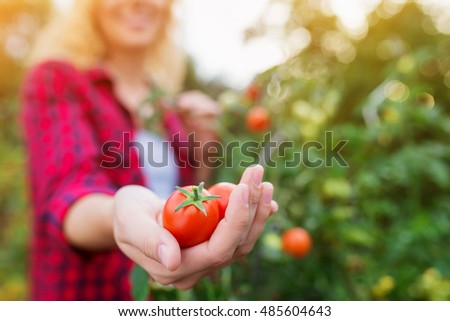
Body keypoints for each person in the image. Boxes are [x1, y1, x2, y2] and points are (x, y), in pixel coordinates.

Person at [20, 0, 277, 300]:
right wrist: (118, 214)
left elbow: (185, 201)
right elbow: (68, 192)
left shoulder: (166, 108)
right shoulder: (58, 80)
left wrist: (204, 147)